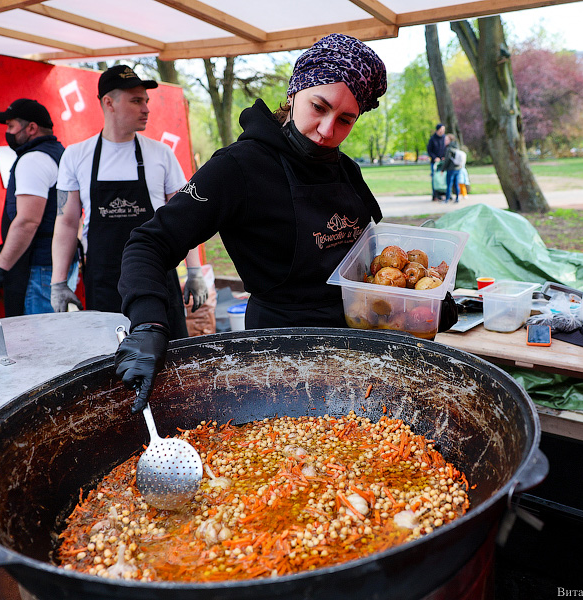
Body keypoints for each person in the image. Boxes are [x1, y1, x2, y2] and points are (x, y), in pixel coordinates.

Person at [113, 33, 391, 411]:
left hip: (356, 348)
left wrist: (414, 301)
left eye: (345, 120)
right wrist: (148, 323)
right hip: (279, 359)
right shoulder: (238, 167)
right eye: (318, 107)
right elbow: (149, 243)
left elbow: (366, 262)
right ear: (294, 93)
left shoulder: (345, 170)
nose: (327, 131)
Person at [49, 65, 207, 339]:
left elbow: (186, 217)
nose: (146, 109)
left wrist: (195, 271)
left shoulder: (161, 154)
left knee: (169, 354)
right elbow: (66, 222)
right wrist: (58, 283)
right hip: (104, 278)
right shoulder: (76, 155)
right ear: (108, 103)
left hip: (156, 275)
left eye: (146, 100)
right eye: (136, 101)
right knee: (110, 354)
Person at [0, 98, 76, 315]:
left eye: (11, 126)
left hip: (40, 269)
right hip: (58, 263)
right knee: (57, 330)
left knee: (40, 334)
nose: (8, 132)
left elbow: (27, 221)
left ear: (32, 128)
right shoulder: (59, 153)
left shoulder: (34, 159)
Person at [440, 133, 466, 203]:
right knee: (456, 184)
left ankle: (447, 199)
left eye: (446, 140)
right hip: (458, 168)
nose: (445, 141)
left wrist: (442, 169)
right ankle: (457, 198)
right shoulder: (456, 147)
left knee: (449, 184)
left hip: (451, 169)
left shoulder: (449, 149)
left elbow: (447, 160)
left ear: (450, 140)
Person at [427, 123, 447, 201]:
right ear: (438, 130)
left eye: (443, 130)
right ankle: (435, 195)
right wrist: (435, 158)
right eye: (441, 129)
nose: (442, 131)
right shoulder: (432, 139)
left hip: (443, 162)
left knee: (443, 178)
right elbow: (429, 150)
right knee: (435, 178)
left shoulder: (444, 138)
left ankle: (443, 194)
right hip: (435, 162)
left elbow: (446, 149)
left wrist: (444, 157)